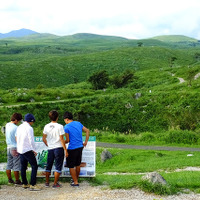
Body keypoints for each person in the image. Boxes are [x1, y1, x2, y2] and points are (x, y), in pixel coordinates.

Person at [63, 111, 90, 187]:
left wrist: (61, 142)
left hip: (72, 148)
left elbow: (68, 140)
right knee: (78, 164)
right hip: (80, 147)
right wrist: (86, 142)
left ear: (67, 119)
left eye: (64, 120)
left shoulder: (66, 127)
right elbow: (87, 131)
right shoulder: (78, 123)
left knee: (71, 166)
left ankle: (75, 182)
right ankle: (76, 180)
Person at [42, 110, 68, 188]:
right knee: (58, 166)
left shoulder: (46, 126)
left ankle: (47, 182)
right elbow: (62, 139)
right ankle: (55, 183)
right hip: (58, 148)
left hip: (50, 148)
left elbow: (44, 138)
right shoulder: (60, 126)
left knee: (48, 165)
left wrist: (48, 144)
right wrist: (65, 149)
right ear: (57, 117)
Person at [16, 113, 41, 191]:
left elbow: (16, 137)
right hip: (27, 149)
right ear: (31, 121)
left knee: (23, 166)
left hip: (20, 149)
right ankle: (33, 184)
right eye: (33, 122)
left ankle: (25, 183)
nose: (32, 123)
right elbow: (31, 140)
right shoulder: (29, 128)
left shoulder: (19, 127)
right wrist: (34, 149)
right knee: (34, 166)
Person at [5, 113, 22, 185]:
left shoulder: (7, 125)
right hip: (15, 147)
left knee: (9, 164)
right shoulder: (16, 128)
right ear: (16, 120)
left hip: (8, 147)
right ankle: (17, 181)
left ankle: (10, 180)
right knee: (16, 165)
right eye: (18, 121)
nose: (18, 122)